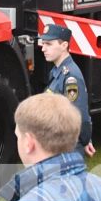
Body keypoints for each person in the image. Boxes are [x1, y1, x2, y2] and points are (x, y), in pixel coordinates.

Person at [37, 24, 93, 154]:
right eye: (43, 44)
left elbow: (79, 114)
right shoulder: (58, 71)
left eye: (49, 44)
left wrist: (86, 140)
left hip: (68, 146)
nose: (43, 49)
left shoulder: (70, 76)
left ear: (64, 46)